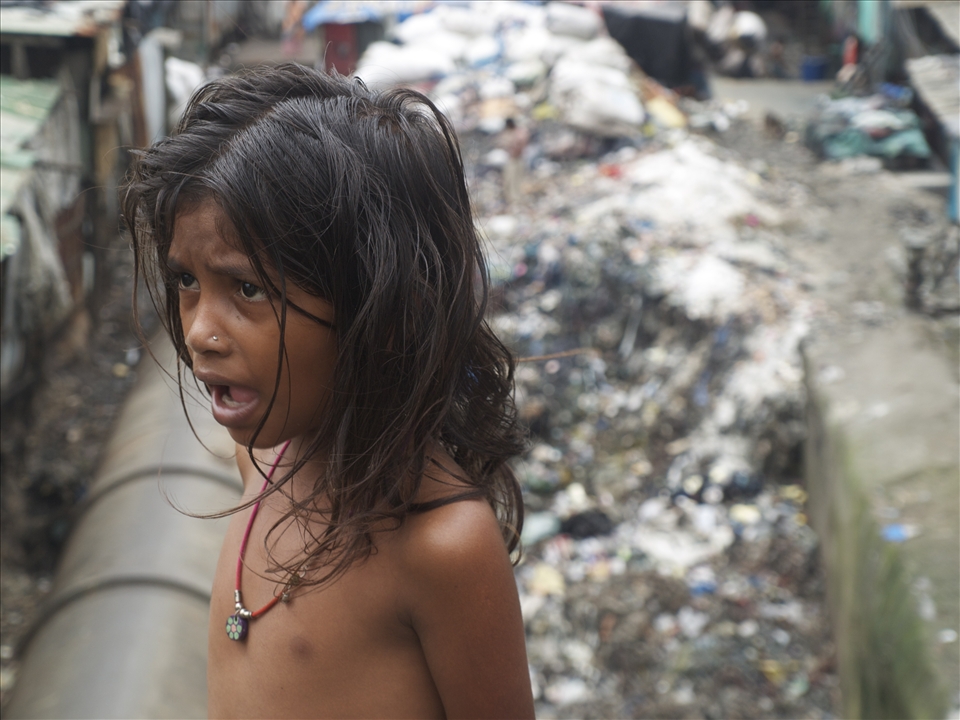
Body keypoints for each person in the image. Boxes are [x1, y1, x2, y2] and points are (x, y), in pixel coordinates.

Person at [121, 63, 534, 719]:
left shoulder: (445, 547)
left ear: (387, 310)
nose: (200, 331)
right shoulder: (262, 463)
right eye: (187, 282)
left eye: (247, 290)